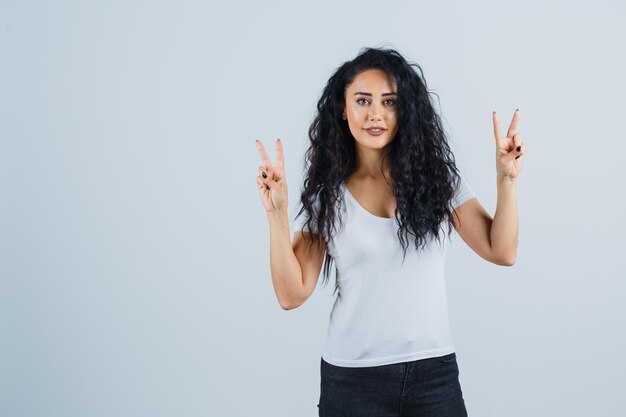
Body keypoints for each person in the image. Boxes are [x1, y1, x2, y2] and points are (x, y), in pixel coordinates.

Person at [255, 47, 525, 417]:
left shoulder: (437, 182)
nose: (376, 114)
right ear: (342, 108)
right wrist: (277, 215)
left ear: (405, 110)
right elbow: (291, 294)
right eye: (362, 100)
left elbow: (502, 250)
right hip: (353, 381)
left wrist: (505, 180)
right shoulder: (327, 197)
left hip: (434, 374)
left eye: (390, 102)